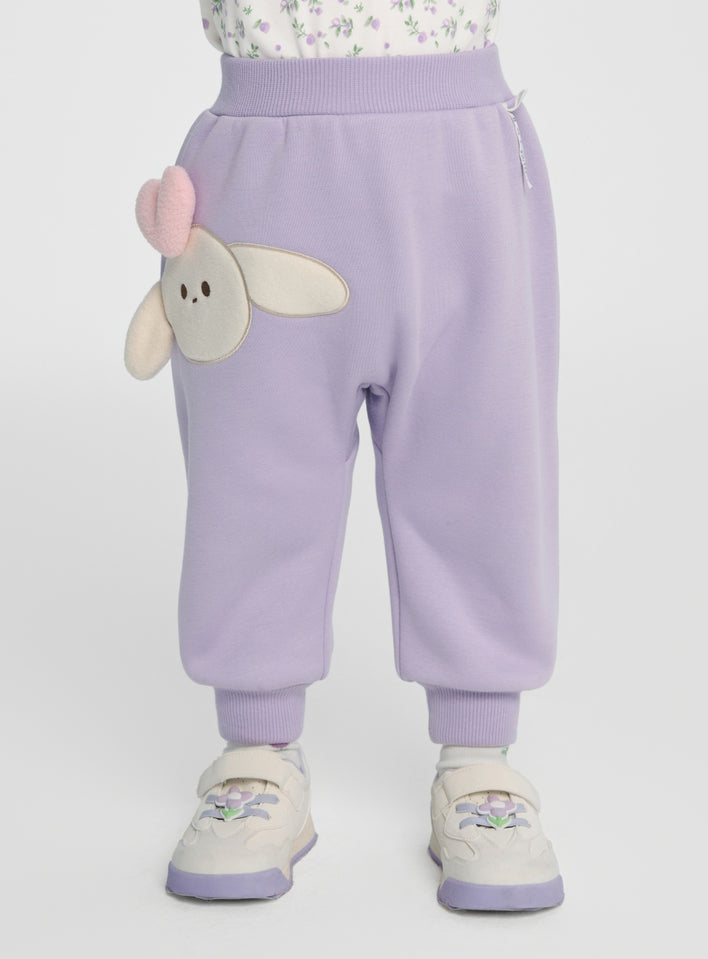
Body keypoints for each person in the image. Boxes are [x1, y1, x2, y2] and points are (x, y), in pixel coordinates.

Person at [125, 0, 564, 911]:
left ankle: (480, 756)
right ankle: (256, 750)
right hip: (262, 169)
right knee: (252, 478)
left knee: (481, 464)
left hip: (461, 170)